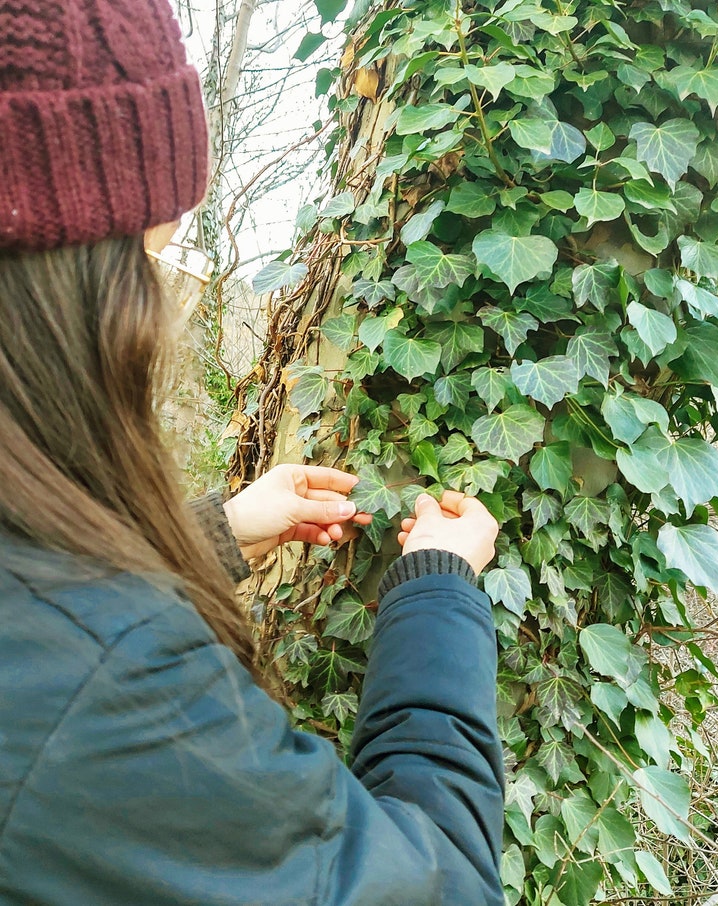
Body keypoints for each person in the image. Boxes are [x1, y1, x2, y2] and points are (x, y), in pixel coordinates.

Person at [0, 2, 505, 904]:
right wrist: (438, 595)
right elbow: (440, 889)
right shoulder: (107, 687)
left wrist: (209, 536)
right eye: (150, 252)